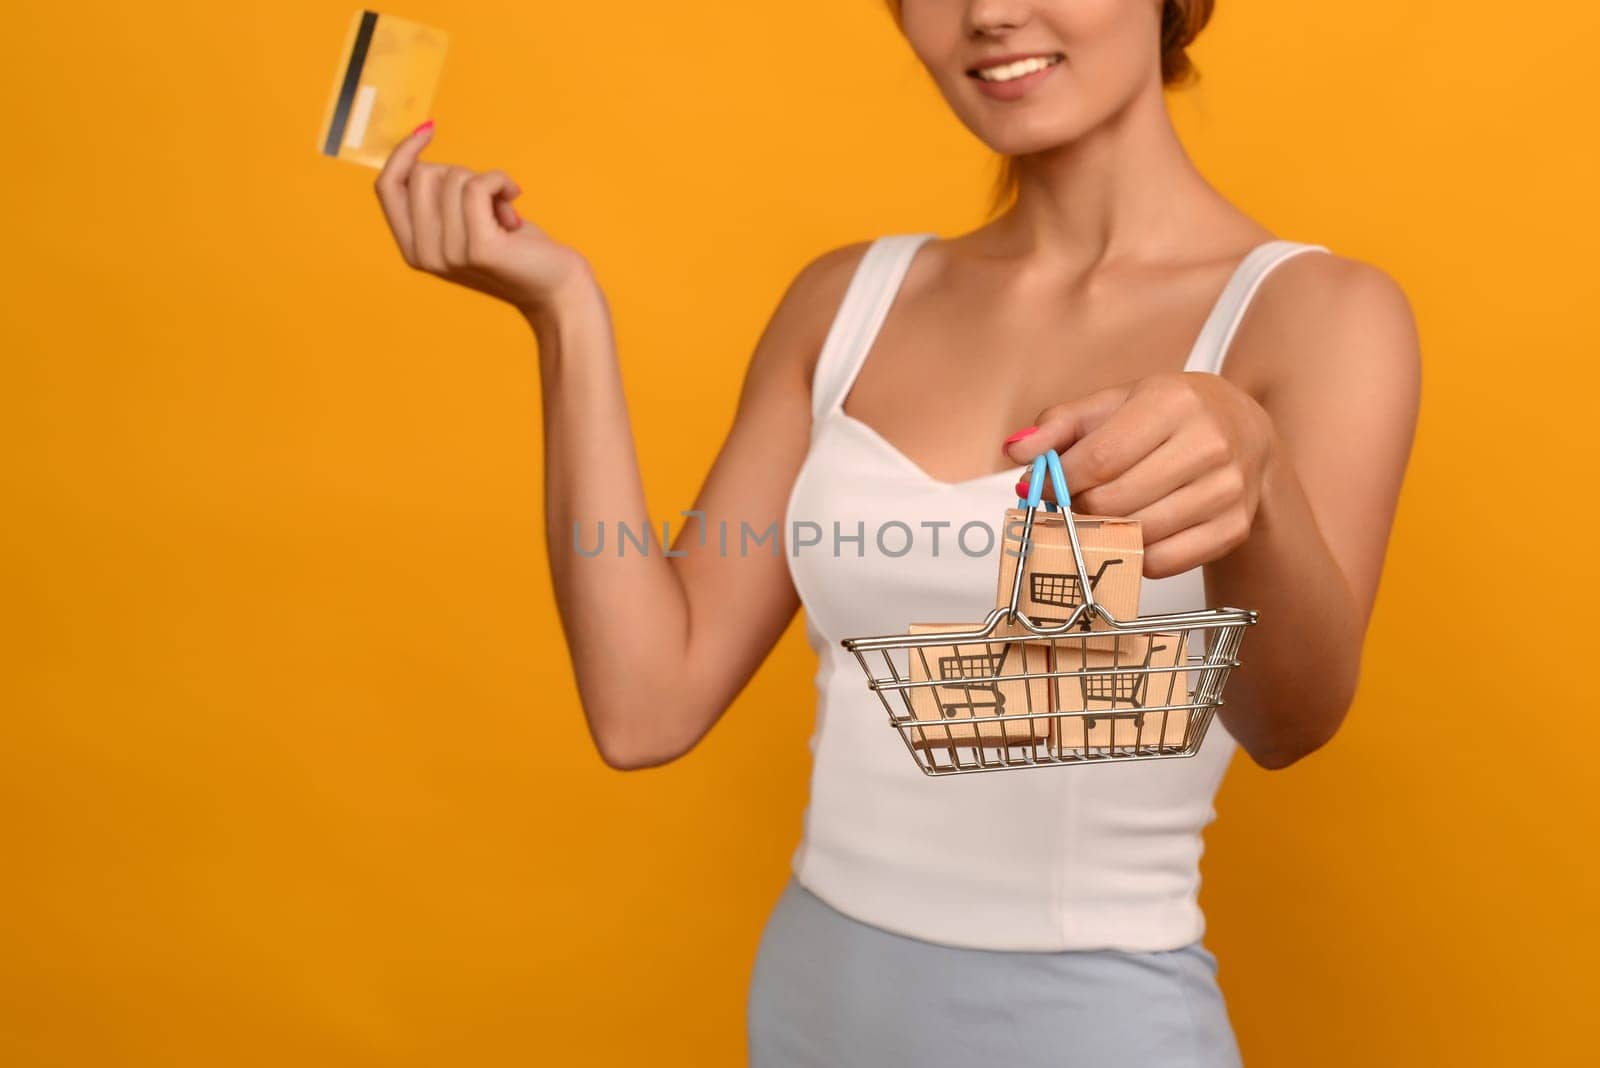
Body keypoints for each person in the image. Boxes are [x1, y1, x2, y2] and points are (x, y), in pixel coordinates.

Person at [373, 1, 1420, 1063]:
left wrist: (1256, 475)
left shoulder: (1317, 316)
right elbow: (645, 707)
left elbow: (1290, 724)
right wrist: (563, 315)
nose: (989, 13)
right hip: (814, 1005)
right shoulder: (845, 302)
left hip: (1089, 1024)